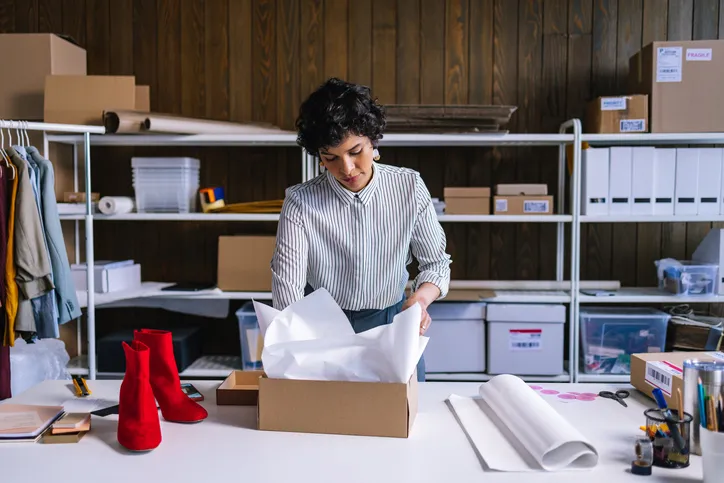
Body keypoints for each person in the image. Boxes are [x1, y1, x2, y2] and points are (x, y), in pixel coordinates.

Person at [270, 78, 452, 381]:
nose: (347, 169)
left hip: (392, 325)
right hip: (322, 330)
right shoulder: (300, 202)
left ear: (373, 141)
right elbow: (287, 287)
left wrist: (419, 301)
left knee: (404, 421)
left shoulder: (409, 188)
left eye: (356, 151)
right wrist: (296, 343)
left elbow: (436, 264)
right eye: (331, 158)